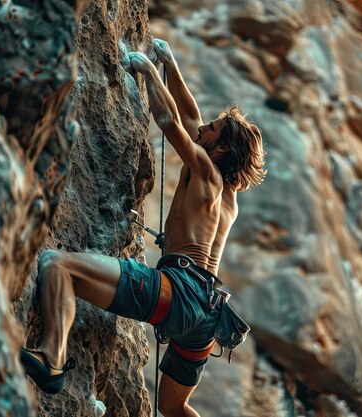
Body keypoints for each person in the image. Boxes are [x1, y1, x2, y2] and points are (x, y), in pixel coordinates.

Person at [20, 39, 266, 417]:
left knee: (56, 264)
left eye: (212, 129)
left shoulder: (203, 170)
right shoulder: (227, 197)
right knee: (174, 408)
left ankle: (52, 361)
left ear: (219, 149)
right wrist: (171, 63)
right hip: (208, 317)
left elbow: (172, 124)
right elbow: (188, 117)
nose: (203, 128)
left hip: (179, 293)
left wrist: (149, 71)